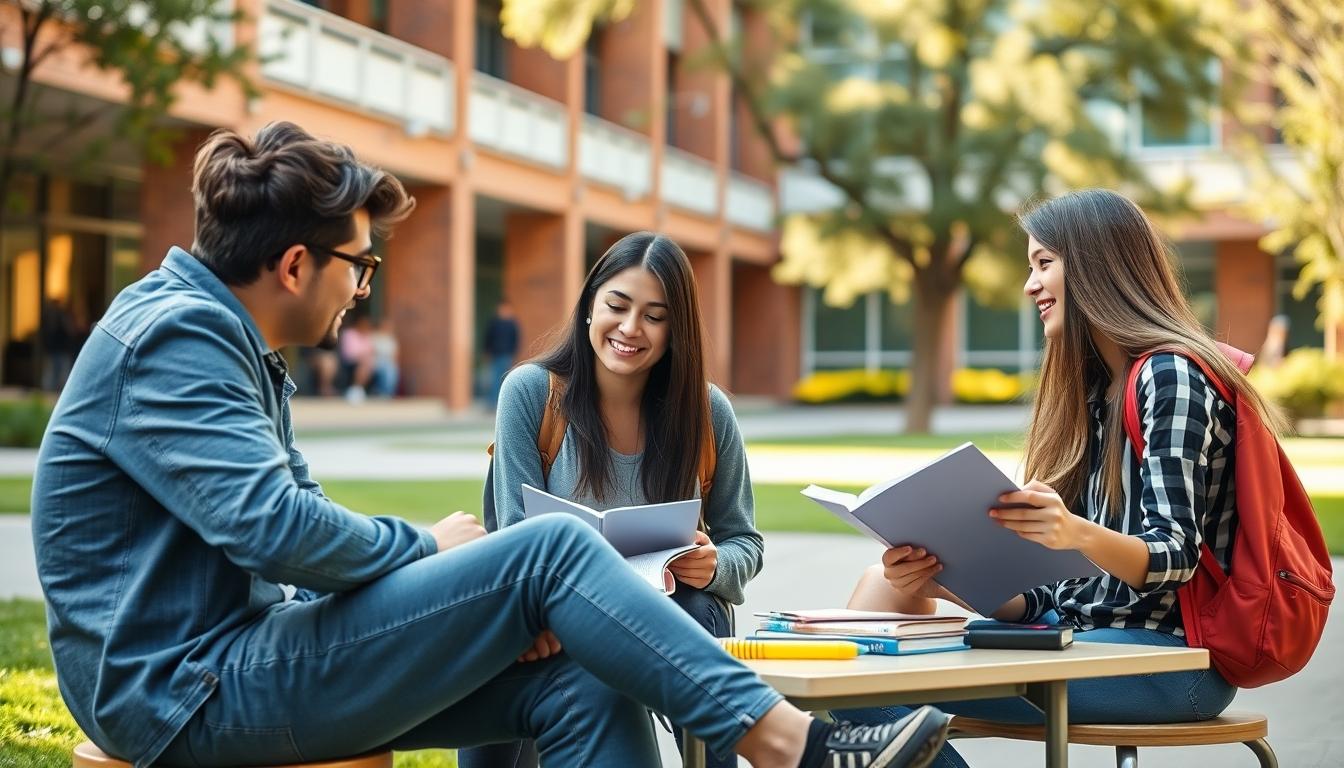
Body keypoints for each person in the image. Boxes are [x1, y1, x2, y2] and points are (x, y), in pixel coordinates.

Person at [30, 121, 950, 768]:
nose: (364, 290)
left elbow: (291, 540)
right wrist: (428, 549)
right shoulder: (176, 338)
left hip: (240, 659)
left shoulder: (232, 343)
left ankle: (792, 746)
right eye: (363, 265)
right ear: (297, 264)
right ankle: (795, 748)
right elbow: (275, 530)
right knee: (551, 545)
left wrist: (443, 602)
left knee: (587, 685)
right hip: (183, 692)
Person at [837, 188, 1288, 767]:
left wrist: (1073, 531)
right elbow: (1056, 595)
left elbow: (1174, 555)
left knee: (857, 679)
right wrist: (941, 577)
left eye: (1044, 263)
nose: (1030, 285)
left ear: (1099, 266)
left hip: (1167, 662)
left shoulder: (1169, 374)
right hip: (1080, 640)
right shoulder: (1100, 389)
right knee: (883, 586)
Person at [462, 232, 763, 768]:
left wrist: (716, 564)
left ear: (677, 330)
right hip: (548, 608)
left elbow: (744, 540)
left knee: (698, 616)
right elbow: (513, 532)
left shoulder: (708, 413)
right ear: (589, 308)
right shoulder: (531, 394)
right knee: (505, 648)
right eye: (617, 306)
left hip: (667, 609)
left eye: (654, 315)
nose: (629, 329)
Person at [483, 299, 520, 409]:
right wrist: (486, 352)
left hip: (506, 355)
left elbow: (516, 340)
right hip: (495, 355)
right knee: (494, 379)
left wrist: (513, 354)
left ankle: (502, 403)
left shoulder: (512, 324)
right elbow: (488, 338)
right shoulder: (494, 323)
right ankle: (492, 403)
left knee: (504, 379)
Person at [340, 314, 376, 402]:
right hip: (350, 363)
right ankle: (356, 389)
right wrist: (363, 356)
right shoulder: (349, 334)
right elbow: (348, 354)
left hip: (366, 363)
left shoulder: (368, 337)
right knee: (364, 365)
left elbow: (372, 352)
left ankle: (381, 392)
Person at [369, 315, 400, 397]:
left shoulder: (391, 339)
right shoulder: (374, 336)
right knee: (387, 368)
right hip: (375, 361)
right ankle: (383, 392)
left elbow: (395, 355)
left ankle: (387, 393)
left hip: (387, 363)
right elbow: (371, 351)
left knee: (391, 369)